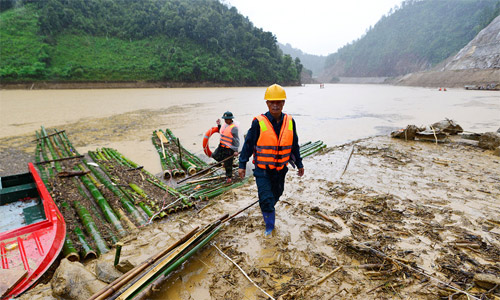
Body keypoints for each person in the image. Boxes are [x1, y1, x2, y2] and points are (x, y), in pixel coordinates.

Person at [238, 84, 304, 236]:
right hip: (263, 170)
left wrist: (299, 163)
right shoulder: (258, 123)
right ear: (267, 103)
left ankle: (267, 208)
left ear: (283, 103)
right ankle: (269, 228)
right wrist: (242, 164)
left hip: (281, 170)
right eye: (272, 102)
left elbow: (294, 144)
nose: (275, 105)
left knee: (277, 193)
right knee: (267, 198)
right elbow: (248, 144)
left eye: (279, 102)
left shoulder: (290, 121)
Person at [212, 111, 239, 183]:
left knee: (228, 164)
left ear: (231, 119)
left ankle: (229, 177)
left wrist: (236, 150)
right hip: (221, 145)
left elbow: (236, 139)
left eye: (227, 119)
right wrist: (218, 125)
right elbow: (222, 131)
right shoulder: (224, 125)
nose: (226, 120)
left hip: (229, 148)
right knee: (214, 155)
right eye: (225, 119)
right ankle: (224, 162)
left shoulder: (234, 128)